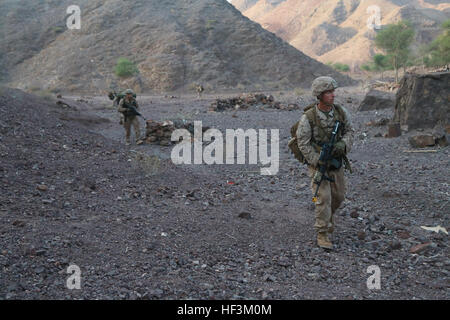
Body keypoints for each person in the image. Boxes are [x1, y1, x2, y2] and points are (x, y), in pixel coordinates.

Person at [296, 76, 354, 249]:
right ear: (320, 95)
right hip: (318, 164)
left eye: (333, 91)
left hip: (336, 162)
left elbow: (350, 131)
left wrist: (343, 144)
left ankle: (328, 219)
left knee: (339, 196)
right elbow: (303, 142)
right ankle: (322, 233)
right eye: (328, 92)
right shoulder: (308, 118)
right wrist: (316, 160)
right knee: (323, 198)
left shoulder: (341, 112)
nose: (332, 95)